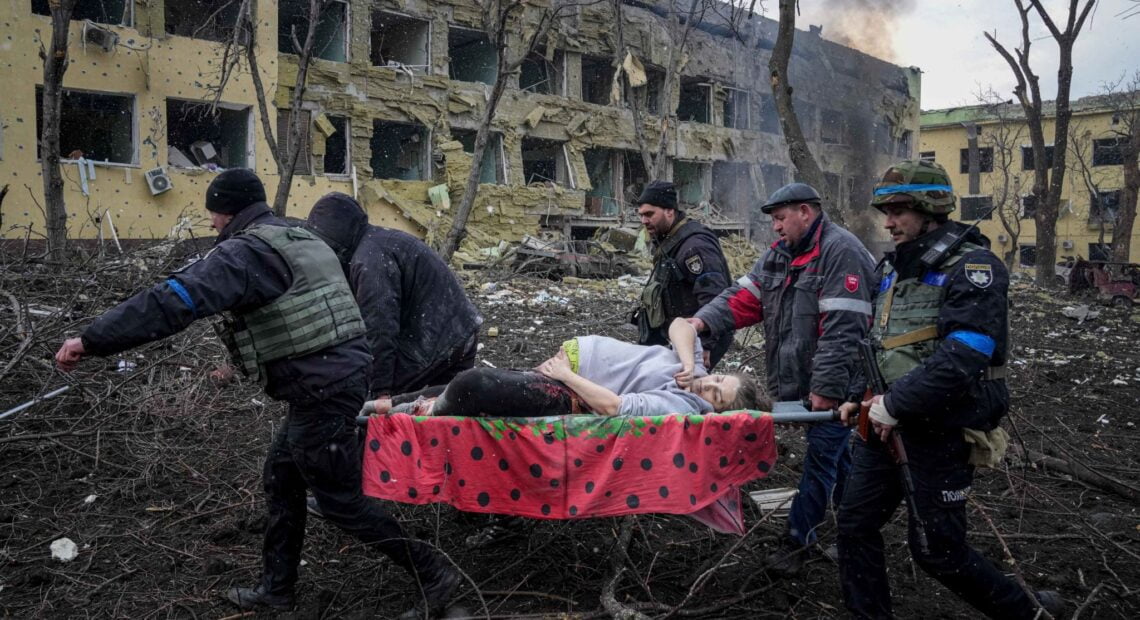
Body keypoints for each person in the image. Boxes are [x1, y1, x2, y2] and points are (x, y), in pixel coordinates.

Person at [54, 169, 459, 617]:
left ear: (225, 212)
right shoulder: (295, 234)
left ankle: (433, 572)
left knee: (340, 501)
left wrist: (92, 340)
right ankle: (276, 590)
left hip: (322, 387)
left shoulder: (245, 254)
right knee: (281, 478)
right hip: (333, 378)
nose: (211, 225)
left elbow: (174, 300)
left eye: (212, 215)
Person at [835, 160, 1062, 618]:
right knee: (854, 524)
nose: (889, 221)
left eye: (898, 210)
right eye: (886, 211)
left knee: (937, 551)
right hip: (883, 424)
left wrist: (894, 404)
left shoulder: (974, 267)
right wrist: (858, 395)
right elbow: (880, 342)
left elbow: (966, 354)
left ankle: (1030, 614)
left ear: (930, 208)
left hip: (940, 427)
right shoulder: (894, 268)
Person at [688, 182, 876, 574]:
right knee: (837, 457)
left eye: (779, 219)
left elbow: (844, 329)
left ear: (805, 212)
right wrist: (702, 321)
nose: (774, 228)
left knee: (822, 459)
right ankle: (855, 525)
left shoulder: (842, 253)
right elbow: (743, 298)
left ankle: (797, 540)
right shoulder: (779, 256)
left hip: (840, 384)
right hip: (802, 381)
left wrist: (825, 389)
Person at [373, 319, 764, 418]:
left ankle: (411, 413)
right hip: (565, 370)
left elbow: (613, 407)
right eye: (715, 380)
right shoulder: (691, 371)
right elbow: (682, 324)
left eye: (715, 395)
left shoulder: (681, 407)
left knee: (470, 384)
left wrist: (565, 375)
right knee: (459, 385)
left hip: (571, 392)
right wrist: (688, 361)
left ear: (717, 413)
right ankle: (379, 405)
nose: (706, 387)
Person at [305, 192, 482, 412]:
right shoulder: (377, 242)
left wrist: (380, 392)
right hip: (459, 330)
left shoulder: (369, 259)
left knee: (373, 408)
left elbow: (379, 327)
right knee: (447, 412)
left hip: (436, 340)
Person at [632, 180, 733, 369]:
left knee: (686, 391)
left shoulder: (694, 246)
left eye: (649, 214)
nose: (644, 221)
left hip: (697, 338)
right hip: (680, 336)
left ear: (670, 211)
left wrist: (705, 343)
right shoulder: (670, 241)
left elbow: (714, 296)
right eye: (641, 215)